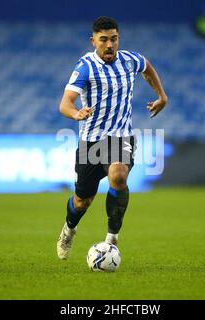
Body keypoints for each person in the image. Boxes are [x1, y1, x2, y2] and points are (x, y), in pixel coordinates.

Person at [57, 16, 167, 259]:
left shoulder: (130, 60)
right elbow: (65, 103)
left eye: (114, 39)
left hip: (120, 137)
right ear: (93, 41)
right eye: (104, 40)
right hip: (91, 143)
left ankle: (111, 239)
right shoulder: (85, 66)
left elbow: (146, 66)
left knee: (118, 176)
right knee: (82, 202)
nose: (109, 45)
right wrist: (76, 113)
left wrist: (161, 96)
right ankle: (69, 229)